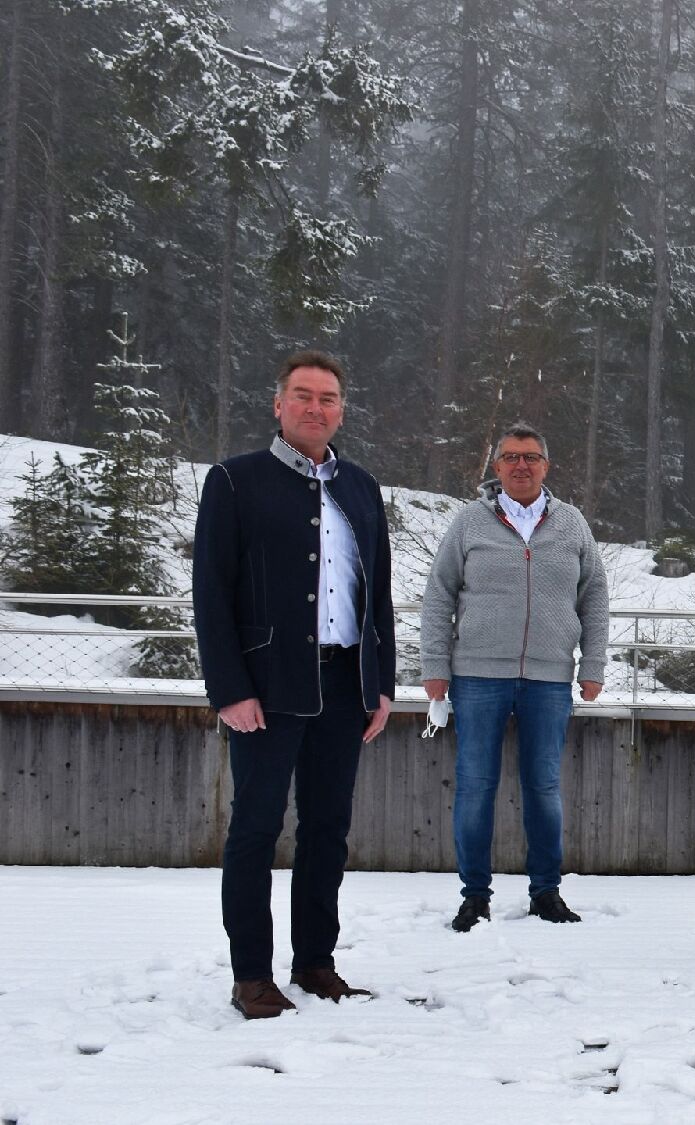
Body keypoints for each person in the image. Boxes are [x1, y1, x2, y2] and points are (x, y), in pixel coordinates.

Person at [192, 350, 395, 1019]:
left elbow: (379, 596)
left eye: (328, 397)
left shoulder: (362, 488)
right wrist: (229, 687)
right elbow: (210, 593)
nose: (316, 407)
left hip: (344, 686)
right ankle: (251, 975)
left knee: (327, 829)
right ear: (278, 404)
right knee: (254, 829)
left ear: (341, 409)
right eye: (303, 395)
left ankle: (315, 961)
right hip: (268, 685)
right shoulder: (235, 480)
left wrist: (380, 682)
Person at [420, 423, 610, 932]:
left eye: (530, 457)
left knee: (543, 787)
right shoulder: (468, 522)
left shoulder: (571, 524)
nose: (520, 465)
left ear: (546, 466)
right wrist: (435, 668)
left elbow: (594, 596)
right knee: (475, 786)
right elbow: (439, 594)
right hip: (477, 675)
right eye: (510, 457)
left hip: (549, 679)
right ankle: (474, 896)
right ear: (497, 467)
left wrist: (593, 665)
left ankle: (546, 892)